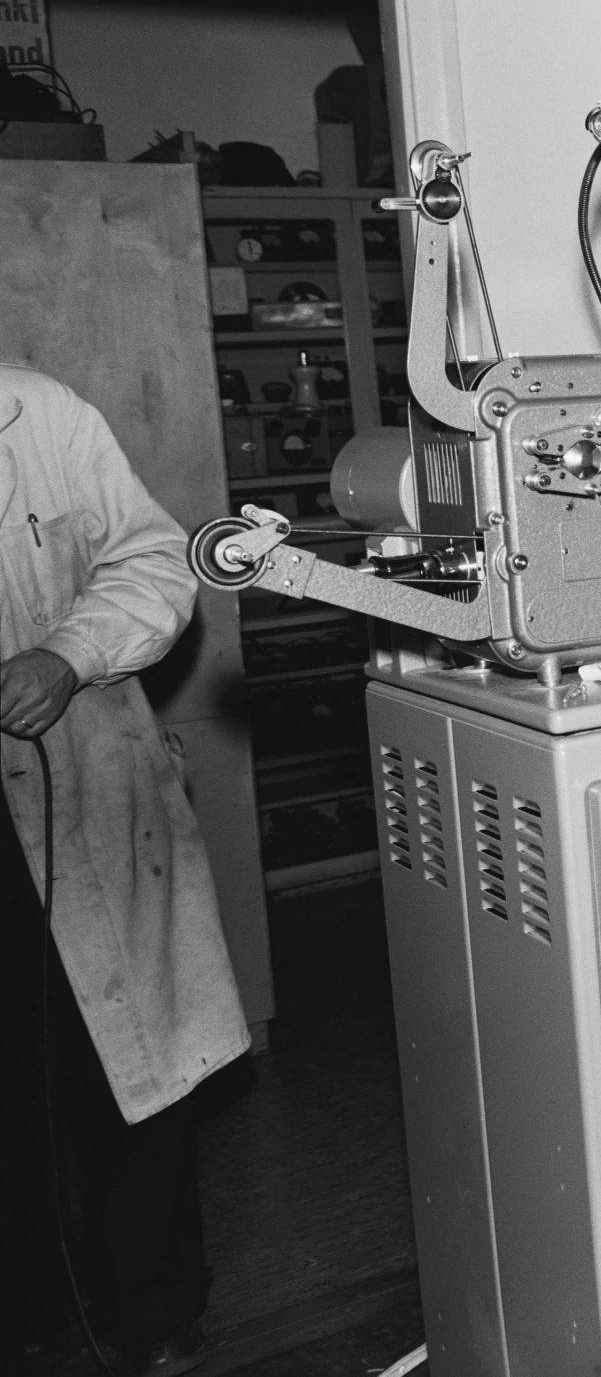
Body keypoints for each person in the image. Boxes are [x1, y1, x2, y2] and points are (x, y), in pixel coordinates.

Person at [1, 366, 247, 1377]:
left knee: (116, 1069)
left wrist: (67, 652)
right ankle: (32, 1316)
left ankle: (151, 1316)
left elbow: (158, 559)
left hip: (77, 785)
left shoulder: (38, 415)